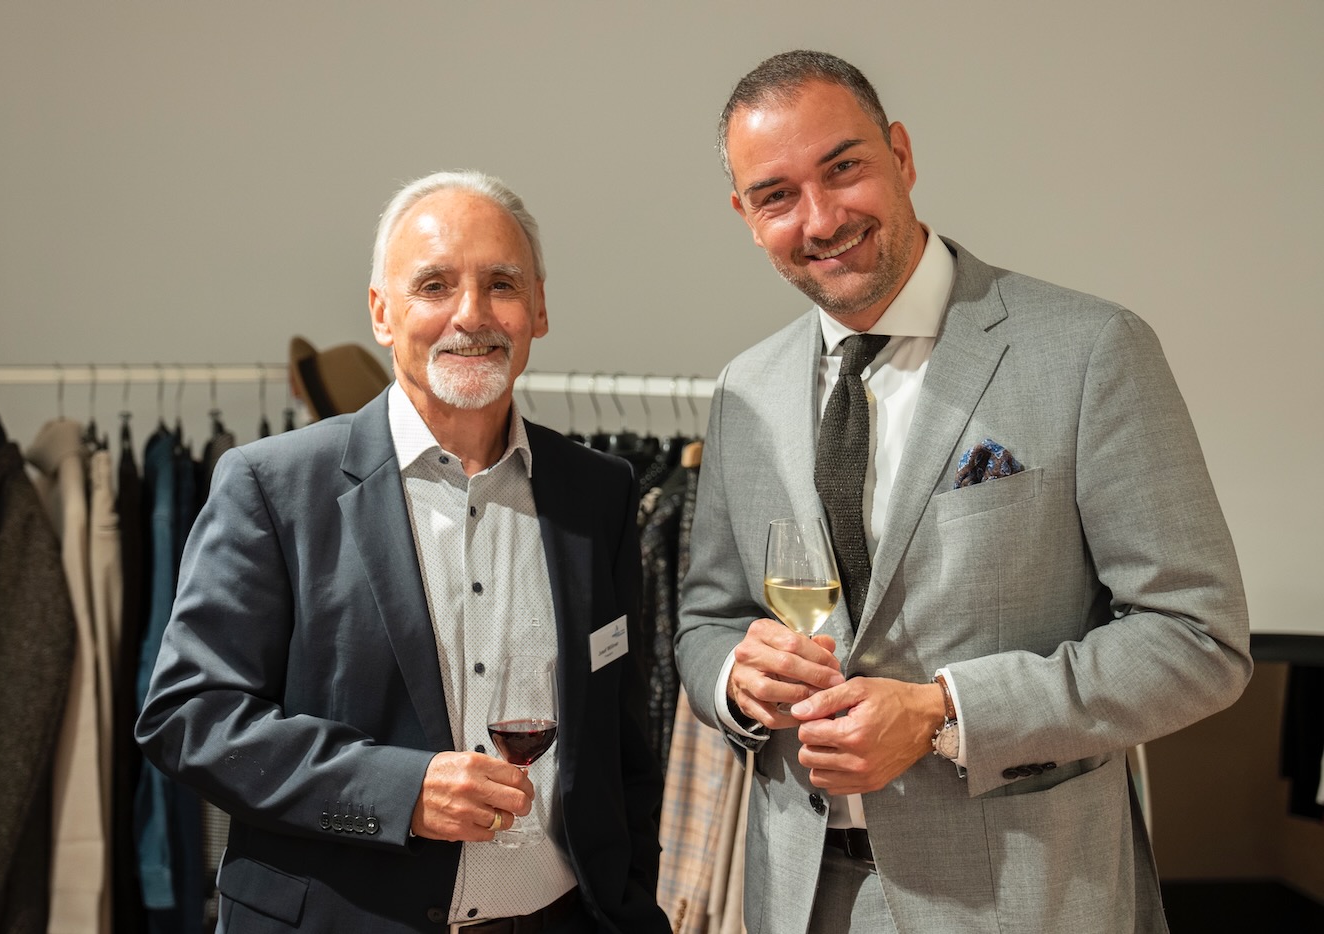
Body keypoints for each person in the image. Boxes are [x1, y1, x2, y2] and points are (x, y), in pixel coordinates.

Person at [674, 50, 1251, 934]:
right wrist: (734, 679)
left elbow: (1198, 641)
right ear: (747, 217)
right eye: (777, 195)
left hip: (1027, 899)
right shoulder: (744, 387)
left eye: (844, 169)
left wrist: (946, 712)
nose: (821, 219)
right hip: (798, 897)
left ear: (901, 155)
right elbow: (706, 620)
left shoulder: (1090, 351)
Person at [137, 170, 670, 933]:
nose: (471, 314)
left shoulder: (599, 491)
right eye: (434, 285)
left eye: (501, 284)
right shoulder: (271, 486)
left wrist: (631, 902)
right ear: (382, 312)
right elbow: (190, 716)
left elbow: (621, 746)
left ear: (539, 308)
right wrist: (401, 791)